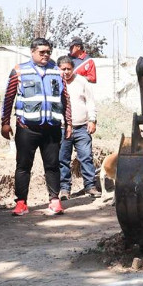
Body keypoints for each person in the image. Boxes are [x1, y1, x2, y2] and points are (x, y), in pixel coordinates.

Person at [0, 38, 72, 216]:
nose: (46, 55)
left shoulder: (57, 72)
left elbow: (65, 100)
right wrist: (5, 123)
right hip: (27, 128)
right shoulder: (19, 71)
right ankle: (21, 203)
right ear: (32, 52)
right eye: (42, 52)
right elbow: (8, 98)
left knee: (53, 165)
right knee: (23, 166)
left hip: (52, 128)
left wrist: (68, 122)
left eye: (48, 52)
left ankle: (55, 201)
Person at [57, 56, 99, 199]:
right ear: (58, 69)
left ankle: (90, 186)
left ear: (73, 68)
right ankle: (64, 189)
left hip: (81, 127)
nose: (66, 72)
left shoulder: (82, 81)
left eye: (69, 69)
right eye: (63, 69)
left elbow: (90, 102)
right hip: (62, 128)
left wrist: (92, 120)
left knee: (86, 156)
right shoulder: (55, 83)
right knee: (63, 159)